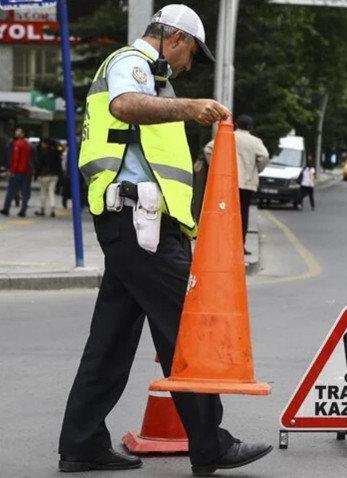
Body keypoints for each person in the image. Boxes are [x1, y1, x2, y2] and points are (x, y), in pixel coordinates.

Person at [57, 5, 271, 475]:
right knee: (188, 332)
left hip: (137, 223)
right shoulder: (130, 64)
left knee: (111, 340)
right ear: (174, 38)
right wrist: (189, 107)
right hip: (139, 221)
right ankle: (210, 444)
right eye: (191, 52)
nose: (189, 64)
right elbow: (124, 106)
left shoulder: (154, 78)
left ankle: (81, 442)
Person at [203, 114, 269, 254]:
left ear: (236, 124)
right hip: (247, 182)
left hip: (227, 181)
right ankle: (240, 245)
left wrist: (216, 167)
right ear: (251, 127)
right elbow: (264, 156)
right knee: (242, 214)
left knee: (225, 212)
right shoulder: (255, 142)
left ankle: (222, 243)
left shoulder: (228, 136)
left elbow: (208, 149)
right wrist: (256, 169)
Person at [1, 127, 32, 217]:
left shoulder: (17, 144)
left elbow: (15, 159)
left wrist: (12, 170)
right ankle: (23, 209)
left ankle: (6, 208)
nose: (16, 132)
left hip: (17, 171)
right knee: (24, 191)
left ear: (22, 134)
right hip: (25, 170)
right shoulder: (27, 144)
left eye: (18, 131)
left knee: (11, 190)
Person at [34, 138, 63, 217]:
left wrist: (36, 175)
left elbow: (39, 164)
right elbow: (59, 165)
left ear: (46, 144)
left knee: (43, 192)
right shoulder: (56, 153)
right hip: (54, 175)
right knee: (51, 192)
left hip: (44, 175)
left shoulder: (43, 153)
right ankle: (52, 208)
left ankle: (42, 209)